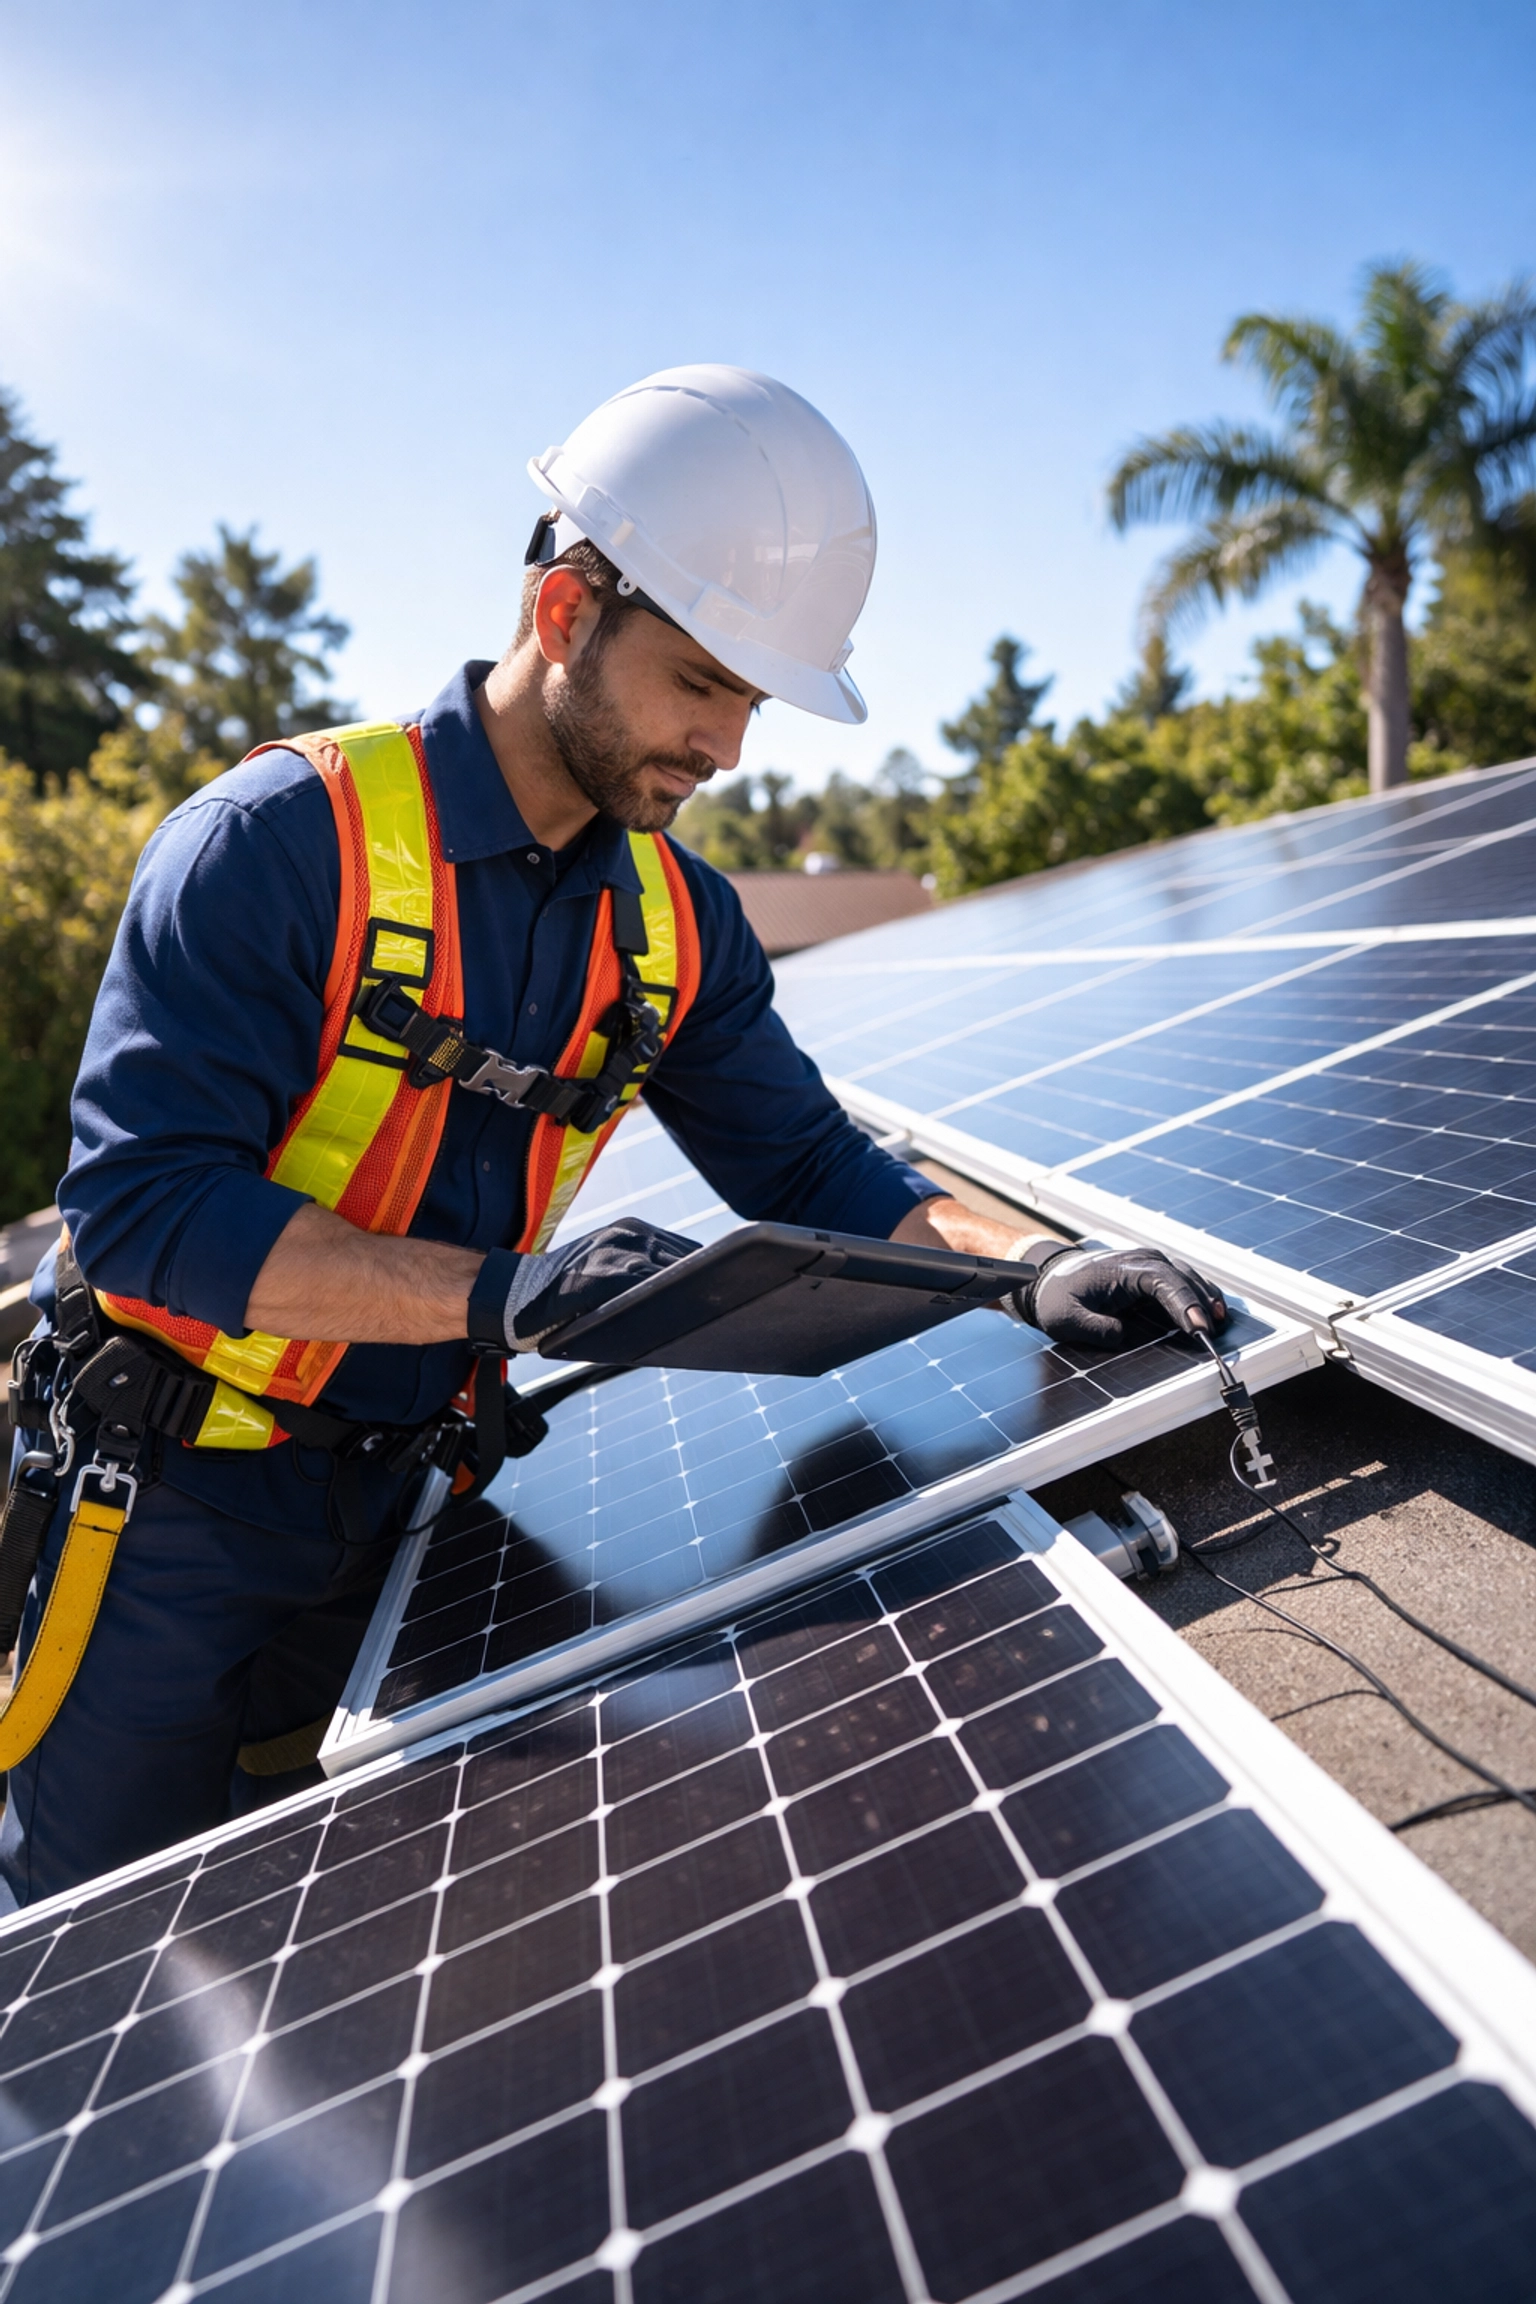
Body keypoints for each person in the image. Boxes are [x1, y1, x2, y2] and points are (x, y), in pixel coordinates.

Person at [0, 365, 1225, 1905]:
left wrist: (1028, 1270)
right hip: (171, 1509)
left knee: (331, 1938)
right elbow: (143, 1212)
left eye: (753, 702)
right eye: (702, 683)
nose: (729, 749)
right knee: (95, 1941)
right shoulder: (278, 847)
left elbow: (812, 1168)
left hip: (416, 1514)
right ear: (567, 610)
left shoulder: (676, 922)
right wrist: (503, 1297)